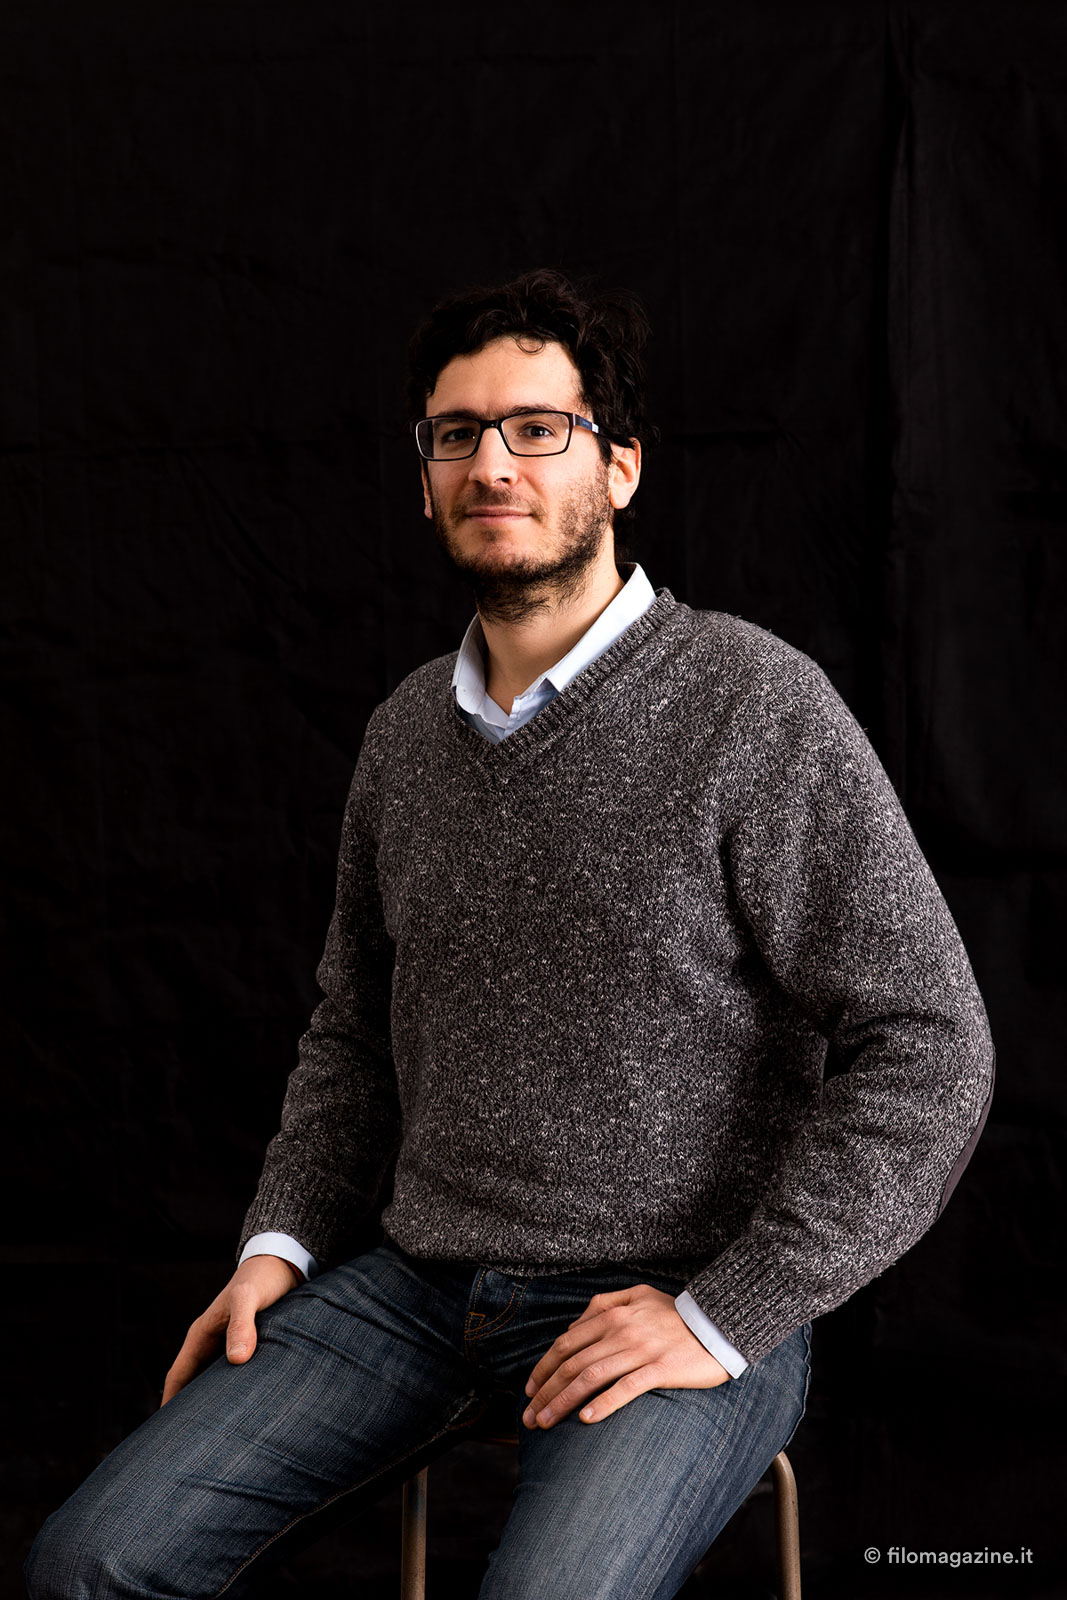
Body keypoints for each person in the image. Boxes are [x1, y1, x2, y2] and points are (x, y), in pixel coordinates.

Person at [26, 268, 995, 1599]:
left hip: (668, 1298)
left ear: (621, 466)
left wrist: (728, 1312)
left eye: (539, 427)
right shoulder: (404, 738)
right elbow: (353, 1035)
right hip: (417, 1295)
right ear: (424, 477)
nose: (494, 463)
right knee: (88, 1564)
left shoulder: (756, 707)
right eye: (458, 434)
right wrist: (278, 1248)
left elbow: (932, 1044)